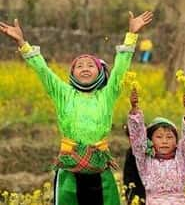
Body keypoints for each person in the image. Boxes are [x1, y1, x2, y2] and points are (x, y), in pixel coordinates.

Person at [0, 11, 153, 205]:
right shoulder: (63, 93)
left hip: (100, 170)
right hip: (69, 172)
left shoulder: (107, 94)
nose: (85, 68)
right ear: (72, 74)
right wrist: (22, 43)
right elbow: (42, 70)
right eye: (79, 66)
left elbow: (120, 69)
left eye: (90, 65)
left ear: (99, 72)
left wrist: (132, 35)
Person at [127, 88, 185, 205]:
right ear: (150, 140)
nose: (165, 141)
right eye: (159, 137)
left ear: (176, 142)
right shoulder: (145, 159)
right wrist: (134, 108)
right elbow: (138, 138)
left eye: (169, 137)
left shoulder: (181, 159)